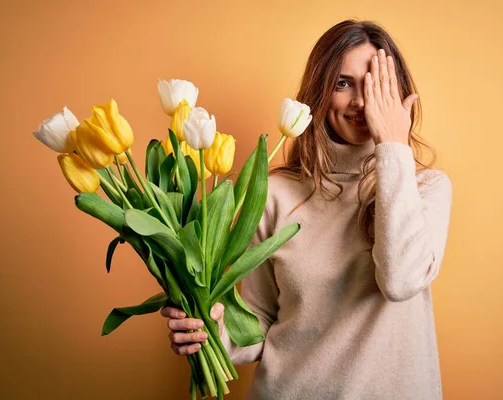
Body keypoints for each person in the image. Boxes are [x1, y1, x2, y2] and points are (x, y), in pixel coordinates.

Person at [161, 19, 453, 400]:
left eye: (376, 84)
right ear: (319, 93)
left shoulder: (425, 188)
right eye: (344, 83)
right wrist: (210, 330)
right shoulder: (275, 194)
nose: (363, 101)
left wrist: (393, 147)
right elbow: (260, 323)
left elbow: (400, 281)